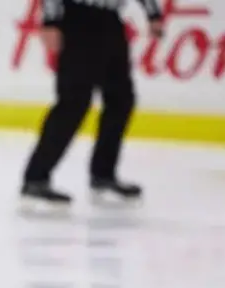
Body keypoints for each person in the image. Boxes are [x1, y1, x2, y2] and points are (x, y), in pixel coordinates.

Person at [20, 0, 166, 213]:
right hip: (78, 17)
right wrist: (51, 21)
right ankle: (36, 178)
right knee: (74, 102)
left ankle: (103, 174)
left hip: (110, 21)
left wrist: (153, 14)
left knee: (121, 99)